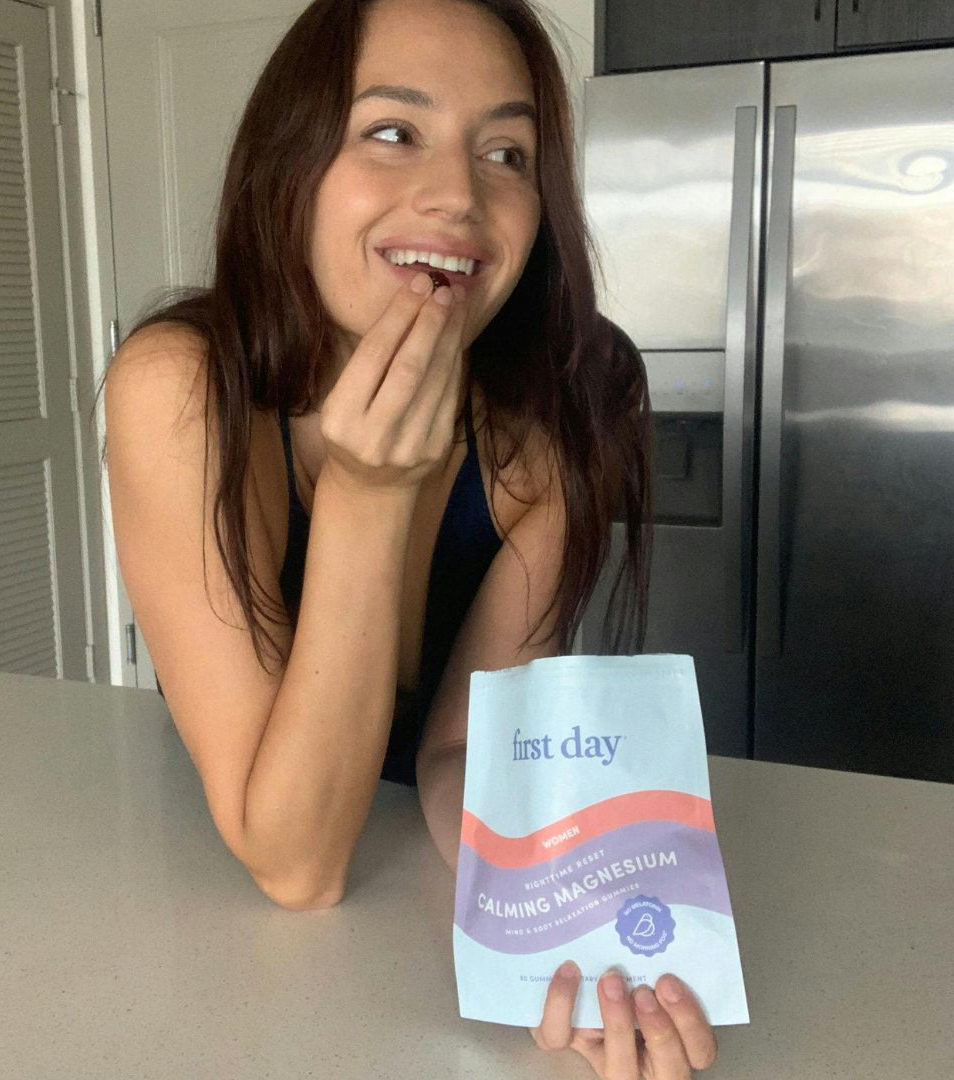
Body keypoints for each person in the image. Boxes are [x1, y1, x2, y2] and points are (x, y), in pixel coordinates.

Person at [96, 0, 718, 1073]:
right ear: (287, 166)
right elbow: (295, 867)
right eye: (393, 130)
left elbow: (462, 747)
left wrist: (572, 940)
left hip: (400, 918)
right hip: (216, 931)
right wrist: (369, 494)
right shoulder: (181, 391)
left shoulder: (547, 429)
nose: (459, 198)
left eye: (507, 152)